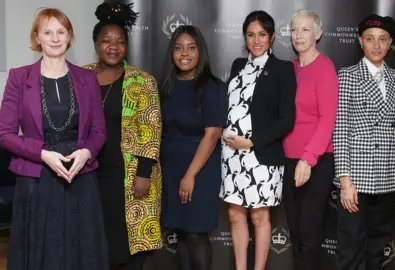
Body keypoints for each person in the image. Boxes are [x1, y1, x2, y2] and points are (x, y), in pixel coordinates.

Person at [0, 8, 108, 269]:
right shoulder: (19, 76)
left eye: (61, 32)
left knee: (81, 250)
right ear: (36, 37)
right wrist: (43, 154)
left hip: (79, 174)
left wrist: (86, 154)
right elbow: (5, 134)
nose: (55, 38)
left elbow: (99, 132)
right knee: (41, 252)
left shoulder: (87, 78)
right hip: (37, 177)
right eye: (47, 32)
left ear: (70, 37)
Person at [83, 2, 162, 269]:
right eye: (106, 40)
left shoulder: (142, 80)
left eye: (119, 41)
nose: (113, 46)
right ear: (96, 43)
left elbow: (151, 129)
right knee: (94, 241)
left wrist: (143, 173)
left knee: (129, 244)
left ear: (127, 46)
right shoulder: (81, 77)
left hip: (128, 175)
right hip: (89, 174)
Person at [219, 10, 296, 270]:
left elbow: (286, 120)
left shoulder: (283, 69)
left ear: (272, 37)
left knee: (260, 217)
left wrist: (250, 142)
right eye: (251, 35)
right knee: (234, 214)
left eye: (262, 34)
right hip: (231, 156)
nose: (256, 40)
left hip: (260, 156)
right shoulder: (238, 66)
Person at [332, 14, 395, 270]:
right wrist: (345, 181)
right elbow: (340, 130)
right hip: (356, 179)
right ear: (360, 42)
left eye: (383, 39)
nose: (377, 45)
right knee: (350, 248)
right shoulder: (348, 76)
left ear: (389, 44)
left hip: (387, 178)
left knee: (377, 247)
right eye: (370, 39)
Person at [159, 25, 227, 270]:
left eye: (191, 48)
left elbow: (212, 135)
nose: (184, 54)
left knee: (197, 235)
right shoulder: (165, 86)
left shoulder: (211, 86)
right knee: (183, 234)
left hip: (200, 170)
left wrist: (190, 175)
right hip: (171, 167)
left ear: (201, 52)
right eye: (178, 48)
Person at [282, 9, 338, 270]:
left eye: (305, 29)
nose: (298, 35)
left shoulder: (324, 67)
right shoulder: (290, 69)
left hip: (315, 162)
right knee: (295, 231)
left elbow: (328, 120)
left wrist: (308, 159)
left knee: (309, 235)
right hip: (288, 161)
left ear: (318, 34)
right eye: (294, 30)